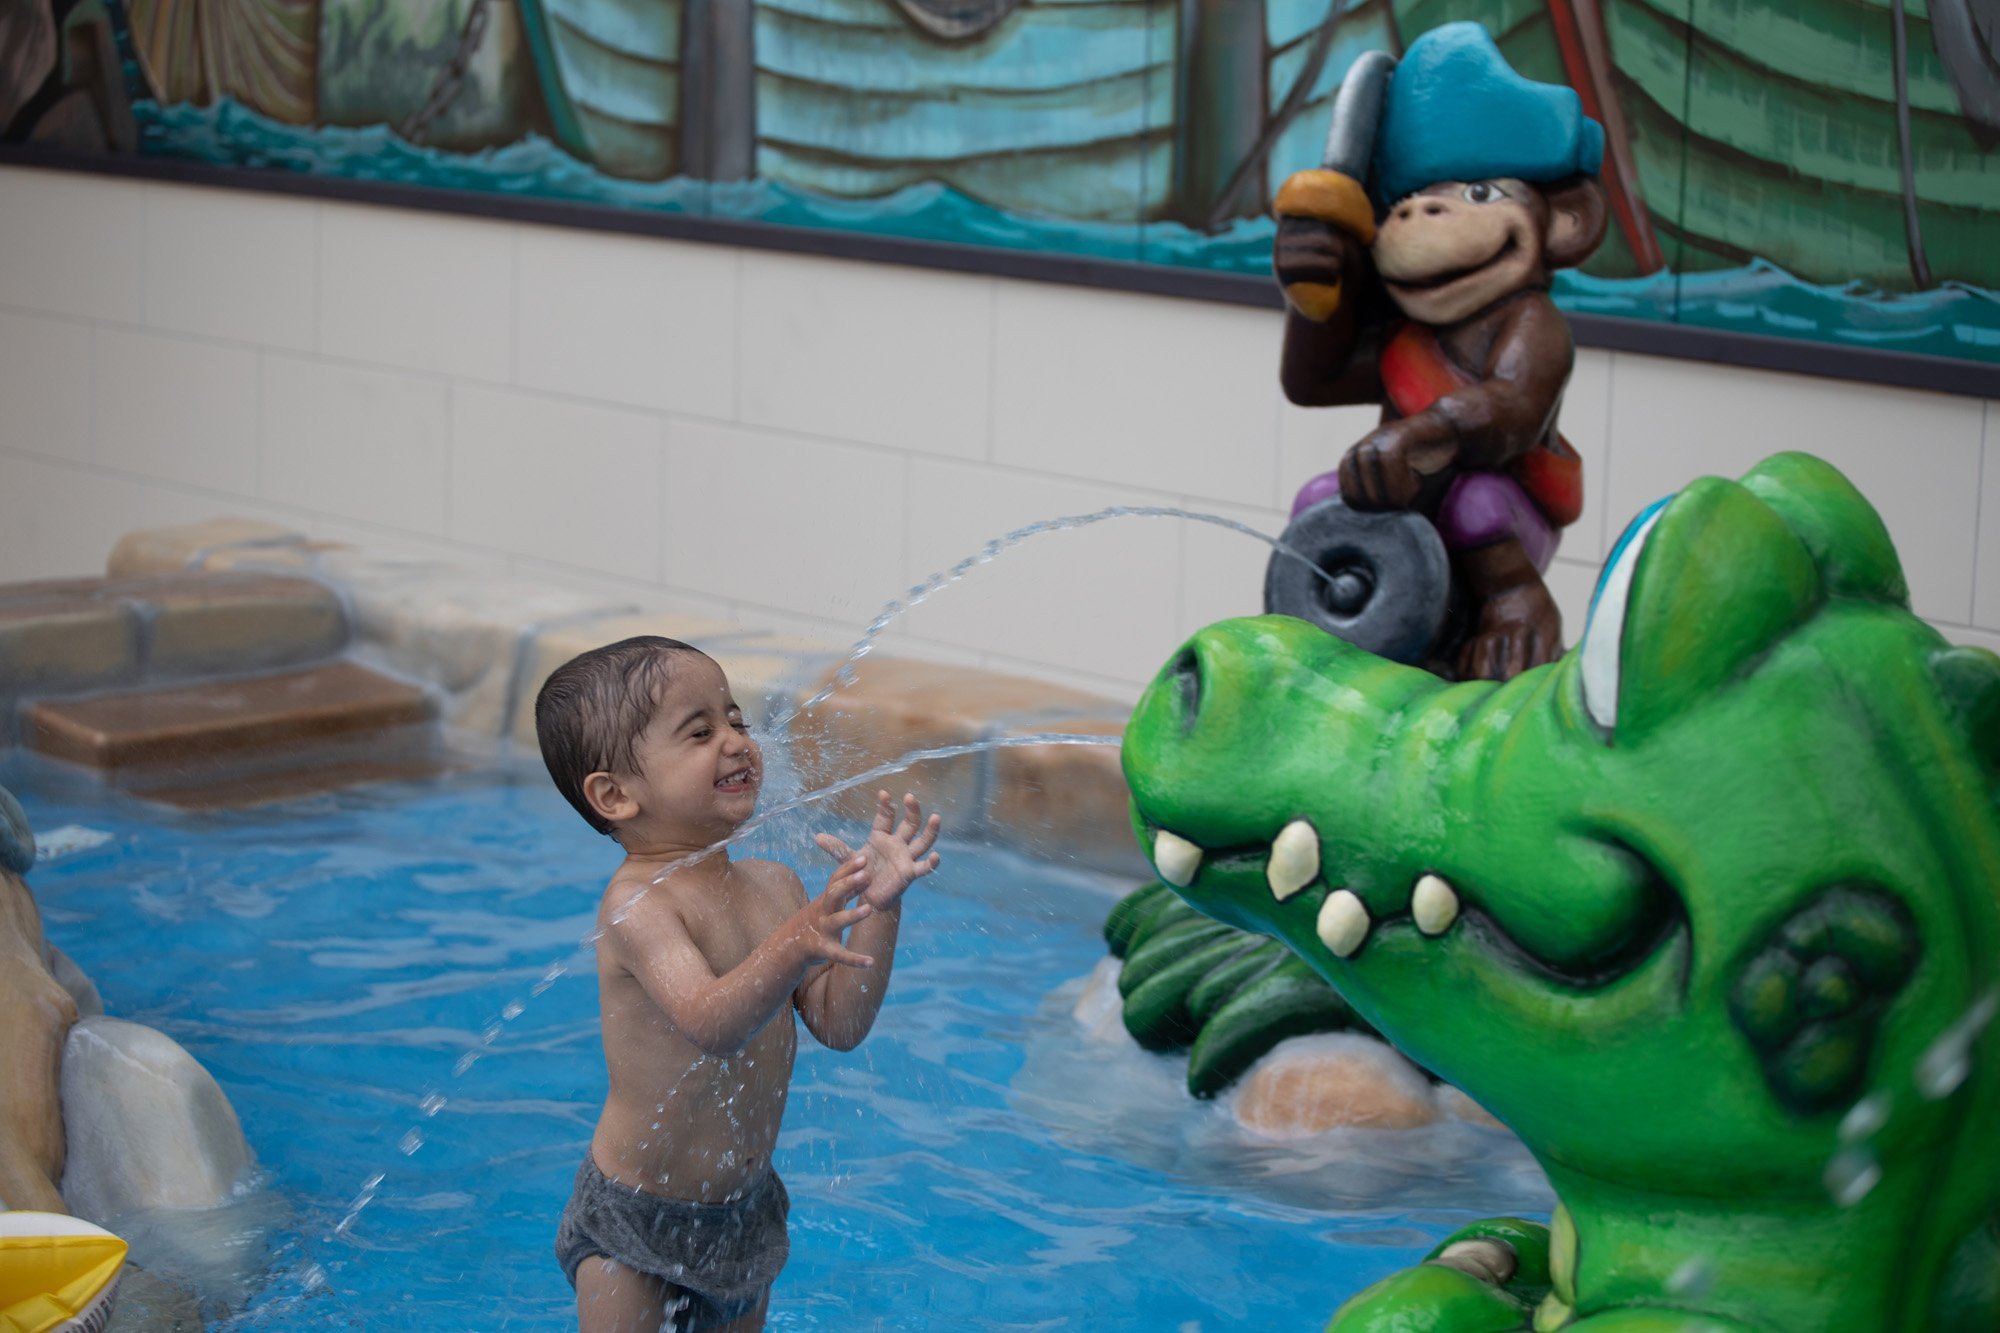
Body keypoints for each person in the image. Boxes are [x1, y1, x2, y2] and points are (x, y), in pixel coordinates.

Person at [535, 636, 941, 1332]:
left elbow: (841, 1025)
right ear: (615, 794)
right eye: (700, 732)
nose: (736, 742)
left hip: (744, 1213)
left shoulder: (775, 886)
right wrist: (799, 937)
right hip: (637, 1220)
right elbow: (712, 1021)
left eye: (736, 719)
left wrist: (879, 905)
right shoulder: (640, 906)